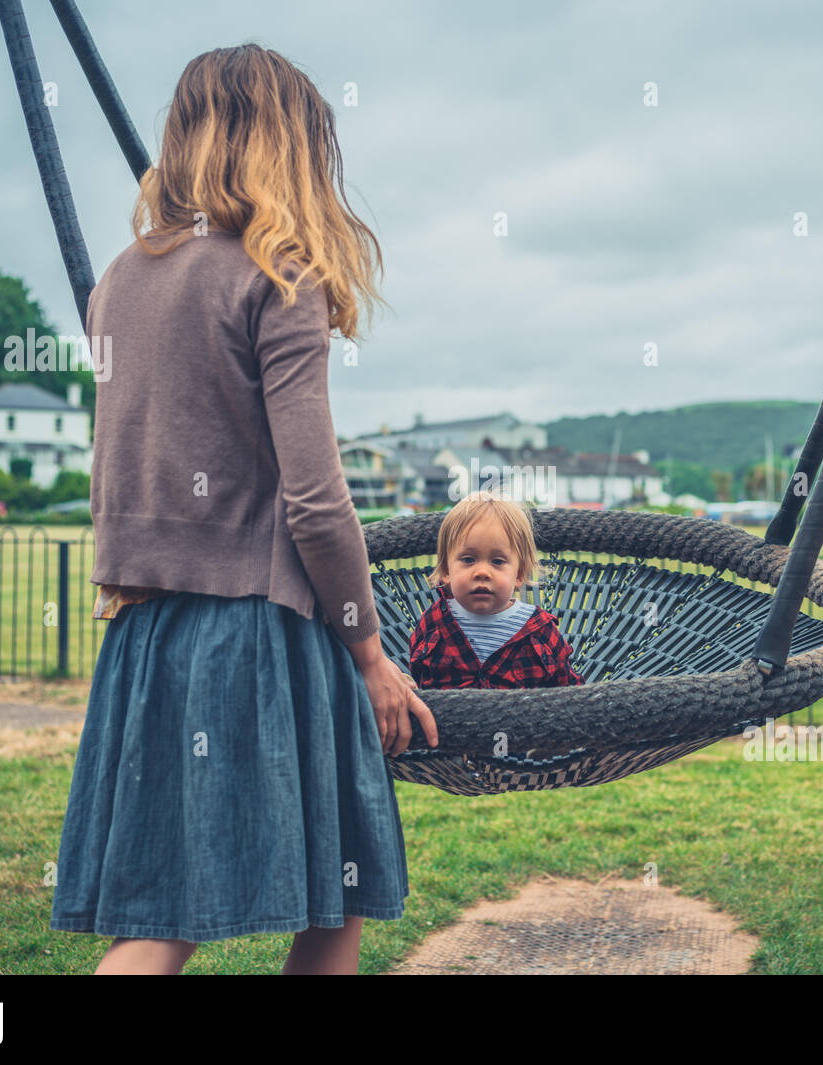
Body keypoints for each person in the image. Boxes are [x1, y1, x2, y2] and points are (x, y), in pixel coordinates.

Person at [49, 43, 437, 976]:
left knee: (156, 910)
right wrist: (371, 654)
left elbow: (122, 460)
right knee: (334, 896)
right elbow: (314, 498)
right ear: (294, 150)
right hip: (260, 636)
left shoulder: (118, 280)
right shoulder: (279, 275)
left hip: (145, 636)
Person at [409, 492, 584, 689]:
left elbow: (569, 692)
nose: (482, 572)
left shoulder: (541, 630)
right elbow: (418, 682)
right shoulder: (433, 622)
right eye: (468, 559)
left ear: (519, 574)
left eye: (497, 561)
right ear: (446, 570)